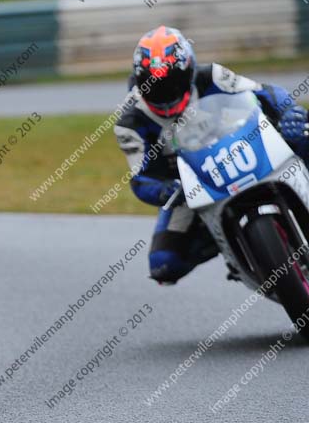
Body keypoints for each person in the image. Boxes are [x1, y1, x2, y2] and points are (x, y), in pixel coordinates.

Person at [113, 25, 309, 284]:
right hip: (191, 186)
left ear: (189, 72)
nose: (164, 93)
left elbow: (266, 92)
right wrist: (164, 190)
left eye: (172, 82)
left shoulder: (213, 76)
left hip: (242, 150)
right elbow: (140, 178)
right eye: (154, 85)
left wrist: (288, 113)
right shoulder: (130, 121)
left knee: (302, 132)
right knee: (164, 264)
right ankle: (229, 242)